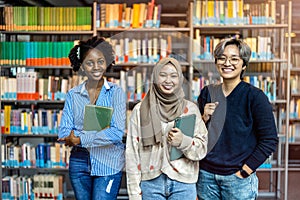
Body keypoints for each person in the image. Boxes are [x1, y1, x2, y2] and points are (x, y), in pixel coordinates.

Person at [196, 38, 278, 199]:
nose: (227, 63)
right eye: (222, 58)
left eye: (234, 59)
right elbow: (196, 135)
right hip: (206, 176)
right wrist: (203, 118)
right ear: (216, 62)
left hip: (237, 178)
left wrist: (246, 170)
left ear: (244, 65)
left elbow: (269, 139)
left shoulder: (255, 97)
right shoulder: (207, 93)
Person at [126, 57, 208, 200]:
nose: (168, 81)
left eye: (173, 76)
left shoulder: (190, 110)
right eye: (162, 75)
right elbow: (132, 153)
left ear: (180, 79)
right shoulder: (140, 110)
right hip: (150, 183)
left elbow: (202, 150)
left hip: (183, 183)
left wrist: (184, 141)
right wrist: (134, 194)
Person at [57, 36, 126, 200]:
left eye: (100, 61)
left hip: (108, 162)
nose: (96, 67)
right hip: (80, 163)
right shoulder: (73, 95)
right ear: (82, 65)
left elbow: (116, 133)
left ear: (107, 61)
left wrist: (79, 138)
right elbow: (64, 130)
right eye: (90, 63)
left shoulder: (116, 93)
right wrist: (98, 134)